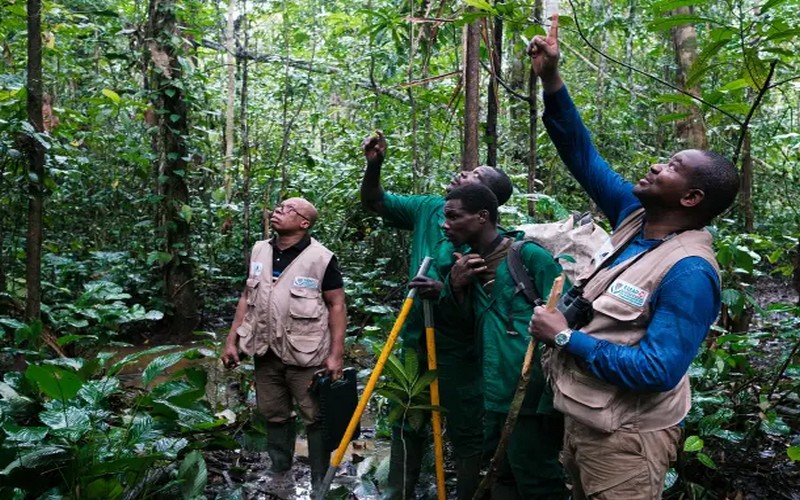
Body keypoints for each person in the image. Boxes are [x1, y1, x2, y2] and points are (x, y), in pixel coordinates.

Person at [527, 15, 740, 499]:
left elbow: (658, 371)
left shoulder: (689, 271)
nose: (656, 165)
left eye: (672, 167)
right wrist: (551, 78)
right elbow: (582, 156)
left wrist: (564, 337)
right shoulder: (633, 216)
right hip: (588, 420)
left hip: (628, 439)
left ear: (691, 198)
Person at [360, 131, 513, 500]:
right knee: (406, 420)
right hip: (414, 341)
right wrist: (374, 165)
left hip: (460, 353)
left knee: (466, 431)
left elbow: (490, 312)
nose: (463, 173)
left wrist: (448, 289)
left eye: (475, 175)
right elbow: (376, 201)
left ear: (484, 207)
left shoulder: (497, 247)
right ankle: (399, 493)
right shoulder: (430, 208)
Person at [442, 183, 568, 499]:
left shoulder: (528, 257)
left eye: (454, 216)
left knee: (537, 476)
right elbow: (459, 328)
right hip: (490, 393)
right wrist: (455, 286)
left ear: (482, 216)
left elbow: (565, 319)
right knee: (501, 474)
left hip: (529, 392)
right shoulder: (465, 264)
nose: (445, 225)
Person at [221, 197, 347, 491]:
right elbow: (247, 297)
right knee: (273, 413)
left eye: (288, 209)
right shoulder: (259, 250)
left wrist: (336, 355)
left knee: (315, 416)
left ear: (304, 223)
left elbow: (337, 304)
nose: (278, 211)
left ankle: (319, 481)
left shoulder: (321, 258)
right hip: (264, 350)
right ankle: (280, 473)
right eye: (278, 207)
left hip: (306, 353)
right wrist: (231, 340)